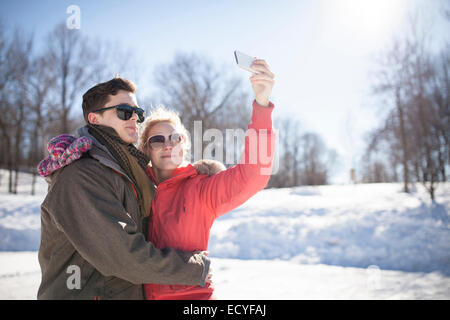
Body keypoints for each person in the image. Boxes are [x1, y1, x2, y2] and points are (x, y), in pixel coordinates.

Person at [37, 78, 212, 300]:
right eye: (123, 111)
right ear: (94, 118)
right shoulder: (80, 176)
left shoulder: (126, 171)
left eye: (137, 113)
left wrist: (197, 174)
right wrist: (195, 269)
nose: (134, 119)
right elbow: (124, 257)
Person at [138, 58, 276, 299]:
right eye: (157, 140)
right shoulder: (134, 190)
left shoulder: (201, 190)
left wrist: (262, 104)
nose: (167, 144)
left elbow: (254, 176)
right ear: (146, 150)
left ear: (184, 145)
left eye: (175, 137)